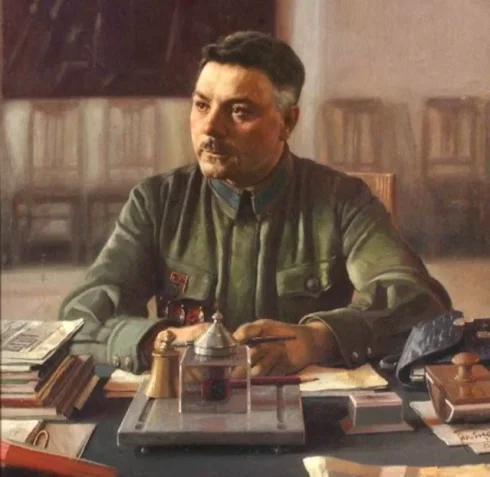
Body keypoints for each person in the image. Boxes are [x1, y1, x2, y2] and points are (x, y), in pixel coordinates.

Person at [59, 31, 451, 377]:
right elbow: (79, 317)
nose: (211, 127)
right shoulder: (157, 201)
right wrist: (160, 342)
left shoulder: (342, 200)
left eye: (239, 111)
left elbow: (421, 302)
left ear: (288, 122)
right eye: (201, 105)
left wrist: (318, 339)